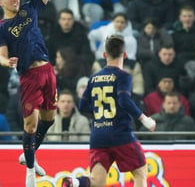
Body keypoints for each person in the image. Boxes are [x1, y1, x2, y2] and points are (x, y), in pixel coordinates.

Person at [0, 0, 66, 186]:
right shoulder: (1, 28)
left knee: (49, 120)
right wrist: (6, 62)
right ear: (1, 2)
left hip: (47, 70)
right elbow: (1, 55)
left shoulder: (30, 8)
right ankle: (30, 173)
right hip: (28, 75)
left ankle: (27, 156)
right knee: (30, 125)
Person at [62, 35, 156, 187]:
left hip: (98, 135)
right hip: (120, 134)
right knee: (140, 171)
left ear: (104, 55)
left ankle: (75, 183)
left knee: (97, 182)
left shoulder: (93, 78)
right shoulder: (123, 76)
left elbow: (82, 106)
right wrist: (145, 119)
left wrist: (101, 112)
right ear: (124, 55)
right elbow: (124, 100)